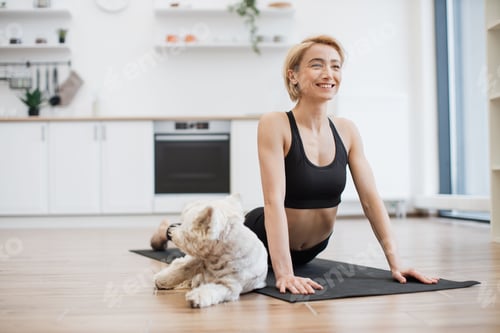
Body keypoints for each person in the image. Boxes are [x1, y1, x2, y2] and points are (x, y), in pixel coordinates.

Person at [151, 34, 439, 296]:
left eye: (336, 66)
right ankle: (169, 230)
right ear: (294, 76)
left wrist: (396, 263)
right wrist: (285, 273)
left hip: (311, 250)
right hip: (258, 236)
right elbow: (273, 201)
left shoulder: (347, 131)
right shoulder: (275, 124)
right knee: (209, 237)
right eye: (317, 65)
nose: (329, 74)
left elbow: (371, 201)